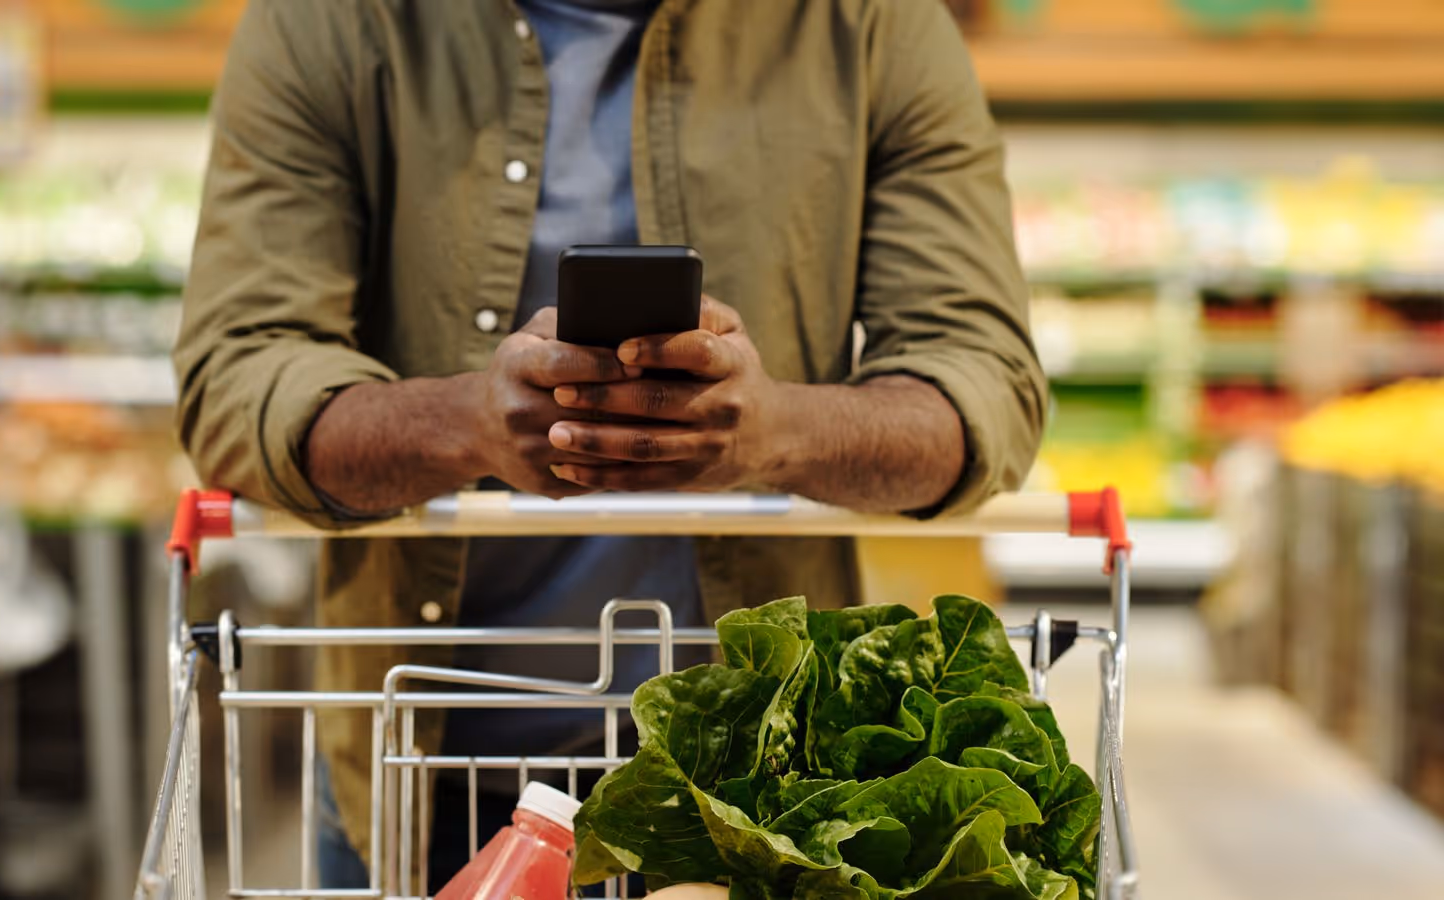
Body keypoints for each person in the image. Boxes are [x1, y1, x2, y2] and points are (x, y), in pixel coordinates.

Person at [175, 0, 1047, 891]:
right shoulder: (330, 21)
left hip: (762, 808)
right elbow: (234, 377)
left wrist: (773, 432)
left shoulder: (871, 25)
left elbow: (984, 385)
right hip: (415, 778)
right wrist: (470, 423)